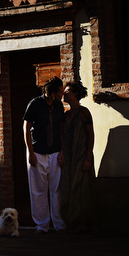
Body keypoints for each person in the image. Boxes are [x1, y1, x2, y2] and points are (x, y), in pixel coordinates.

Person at [22, 75, 66, 233]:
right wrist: (30, 152)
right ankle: (42, 224)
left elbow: (61, 129)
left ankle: (59, 223)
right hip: (38, 151)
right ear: (53, 93)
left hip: (55, 151)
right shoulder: (35, 104)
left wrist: (62, 151)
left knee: (57, 189)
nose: (63, 95)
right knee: (38, 190)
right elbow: (26, 127)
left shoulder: (59, 106)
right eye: (60, 92)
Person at [59, 80, 100, 233]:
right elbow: (62, 136)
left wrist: (88, 158)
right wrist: (62, 152)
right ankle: (72, 222)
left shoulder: (84, 112)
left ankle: (85, 223)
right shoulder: (66, 115)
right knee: (69, 187)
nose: (65, 93)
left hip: (82, 155)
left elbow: (90, 135)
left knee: (82, 188)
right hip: (69, 157)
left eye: (68, 90)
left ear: (75, 93)